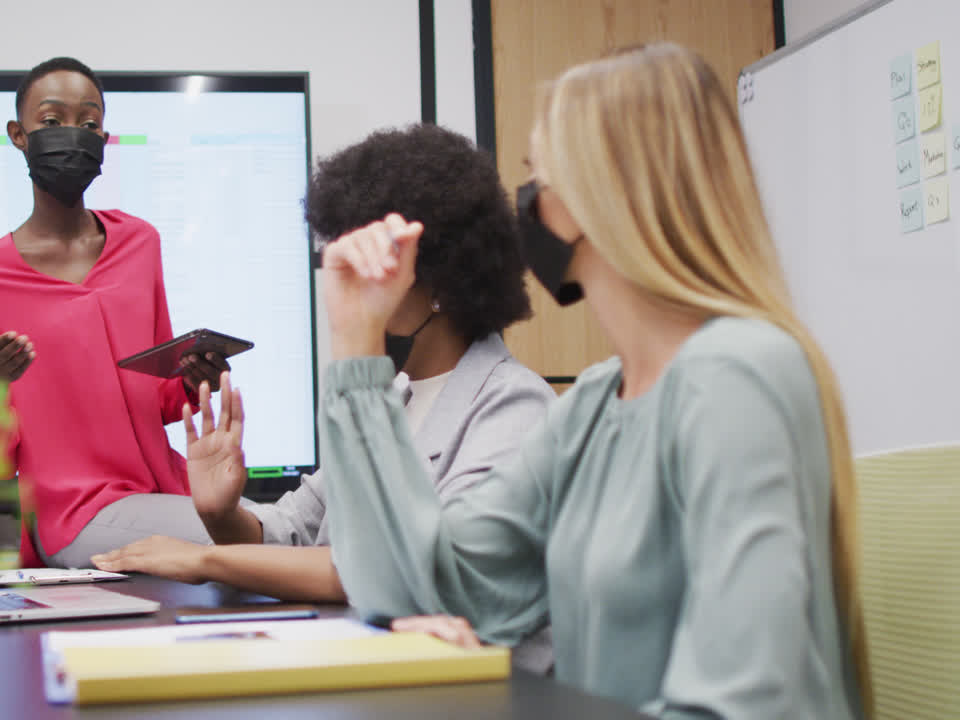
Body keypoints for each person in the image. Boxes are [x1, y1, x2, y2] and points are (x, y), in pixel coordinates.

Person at [316, 44, 870, 719]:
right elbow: (427, 585)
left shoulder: (737, 378)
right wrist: (357, 341)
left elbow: (740, 704)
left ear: (598, 196)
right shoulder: (594, 405)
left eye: (537, 179)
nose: (526, 208)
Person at [93, 125, 557, 669]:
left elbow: (406, 574)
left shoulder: (514, 407)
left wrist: (206, 560)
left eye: (373, 265)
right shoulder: (391, 397)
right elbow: (292, 535)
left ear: (437, 275)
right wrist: (221, 513)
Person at [0, 57, 227, 569]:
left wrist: (196, 378)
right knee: (266, 535)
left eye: (88, 122)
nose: (73, 134)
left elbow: (160, 394)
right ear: (18, 135)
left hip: (162, 491)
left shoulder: (140, 243)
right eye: (51, 120)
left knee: (287, 526)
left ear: (103, 136)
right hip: (73, 516)